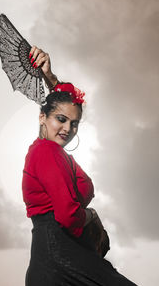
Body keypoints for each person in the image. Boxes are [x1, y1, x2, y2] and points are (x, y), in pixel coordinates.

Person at [22, 46, 138, 286]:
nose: (68, 129)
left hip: (60, 255)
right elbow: (68, 215)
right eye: (61, 120)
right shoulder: (47, 152)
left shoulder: (47, 152)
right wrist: (92, 215)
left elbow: (62, 102)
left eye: (74, 124)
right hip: (61, 256)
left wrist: (51, 78)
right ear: (42, 116)